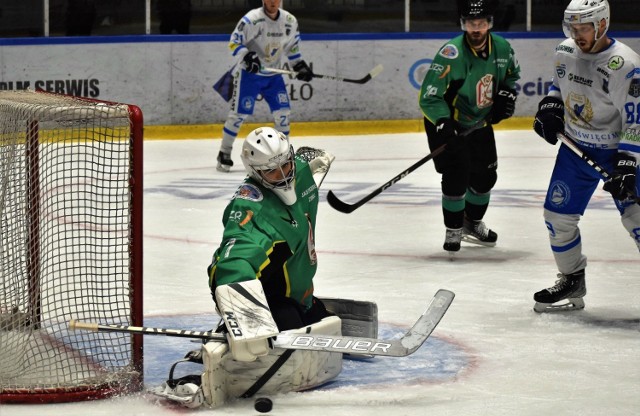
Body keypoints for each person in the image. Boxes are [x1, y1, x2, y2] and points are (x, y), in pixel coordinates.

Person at [532, 0, 640, 312]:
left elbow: (635, 117)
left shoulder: (625, 65)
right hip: (575, 150)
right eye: (572, 28)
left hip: (618, 151)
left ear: (602, 25)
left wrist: (628, 163)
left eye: (583, 28)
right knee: (557, 218)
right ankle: (571, 278)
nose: (576, 34)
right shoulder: (565, 50)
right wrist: (550, 106)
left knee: (636, 219)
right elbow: (558, 86)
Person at [419, 0, 520, 253]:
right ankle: (453, 228)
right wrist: (443, 123)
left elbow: (511, 76)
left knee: (486, 176)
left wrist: (507, 95)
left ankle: (471, 223)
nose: (477, 29)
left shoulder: (502, 48)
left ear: (490, 23)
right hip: (447, 122)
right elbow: (430, 96)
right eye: (471, 23)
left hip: (481, 121)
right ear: (463, 24)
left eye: (482, 23)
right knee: (456, 175)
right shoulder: (450, 54)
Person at [215, 0, 313, 173]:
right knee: (238, 115)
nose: (273, 2)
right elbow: (234, 42)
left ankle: (283, 156)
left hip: (273, 77)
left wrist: (299, 65)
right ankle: (224, 152)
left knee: (283, 114)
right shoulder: (252, 19)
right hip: (249, 76)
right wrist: (246, 56)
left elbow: (292, 48)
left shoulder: (290, 21)